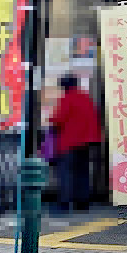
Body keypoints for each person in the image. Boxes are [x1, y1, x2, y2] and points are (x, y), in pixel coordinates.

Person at [48, 74, 100, 213]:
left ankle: (65, 203)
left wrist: (50, 119)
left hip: (69, 143)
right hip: (86, 143)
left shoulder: (67, 98)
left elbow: (58, 119)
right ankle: (82, 203)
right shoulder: (86, 98)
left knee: (66, 173)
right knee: (82, 173)